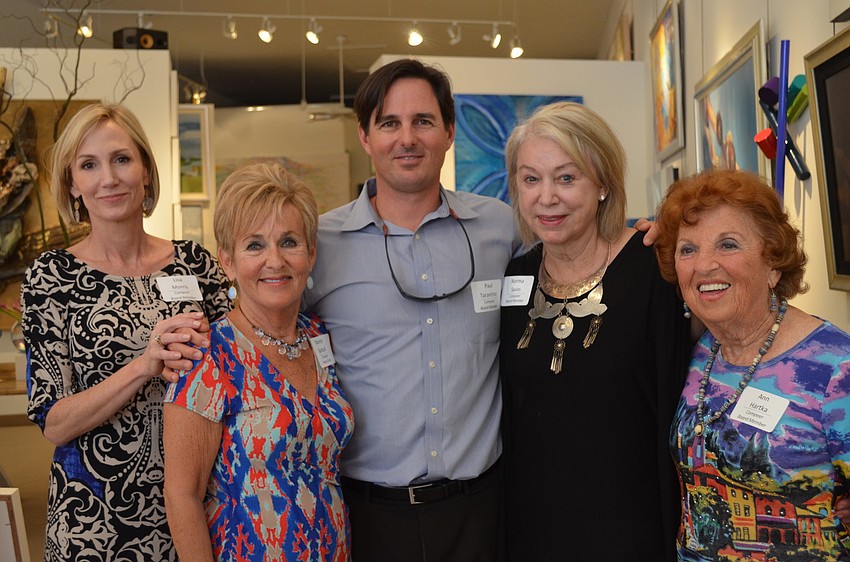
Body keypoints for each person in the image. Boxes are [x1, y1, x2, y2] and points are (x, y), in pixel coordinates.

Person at [302, 58, 520, 561]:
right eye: (389, 123)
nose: (407, 138)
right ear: (364, 136)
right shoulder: (320, 244)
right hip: (367, 516)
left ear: (448, 132)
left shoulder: (501, 228)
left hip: (481, 512)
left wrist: (641, 237)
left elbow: (577, 255)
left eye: (423, 121)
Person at [22, 103, 230, 561]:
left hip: (202, 513)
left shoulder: (194, 263)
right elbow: (54, 423)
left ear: (146, 171)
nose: (109, 178)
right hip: (95, 527)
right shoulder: (50, 277)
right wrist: (144, 366)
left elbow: (238, 367)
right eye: (89, 165)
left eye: (121, 159)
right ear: (73, 184)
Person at [499, 101, 691, 561]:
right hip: (533, 527)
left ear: (603, 183)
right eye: (531, 179)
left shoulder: (655, 269)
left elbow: (679, 405)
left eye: (566, 178)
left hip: (630, 527)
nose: (546, 197)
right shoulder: (516, 276)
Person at [654, 168, 850, 560]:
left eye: (728, 245)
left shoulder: (834, 368)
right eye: (688, 249)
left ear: (773, 263)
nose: (705, 265)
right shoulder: (697, 352)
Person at [163, 162, 354, 561]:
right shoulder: (207, 356)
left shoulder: (320, 337)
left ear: (311, 253)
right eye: (254, 245)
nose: (275, 260)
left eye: (289, 242)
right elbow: (182, 496)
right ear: (227, 261)